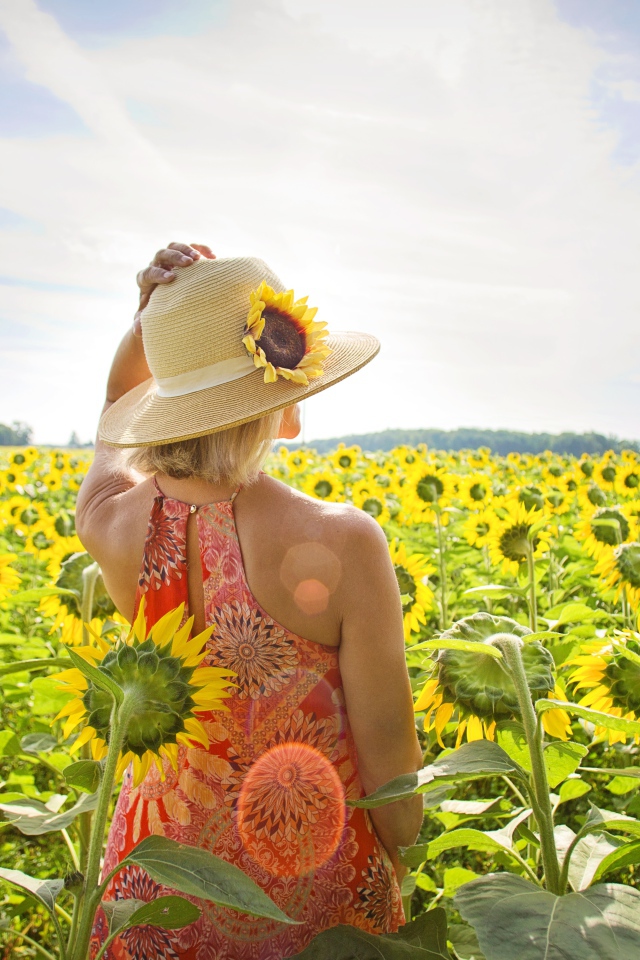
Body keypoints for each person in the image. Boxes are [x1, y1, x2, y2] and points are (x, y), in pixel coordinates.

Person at [77, 242, 423, 960]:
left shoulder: (110, 522)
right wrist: (401, 865)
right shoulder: (345, 541)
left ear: (163, 402)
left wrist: (149, 327)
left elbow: (112, 412)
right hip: (312, 892)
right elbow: (390, 757)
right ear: (280, 400)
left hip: (155, 891)